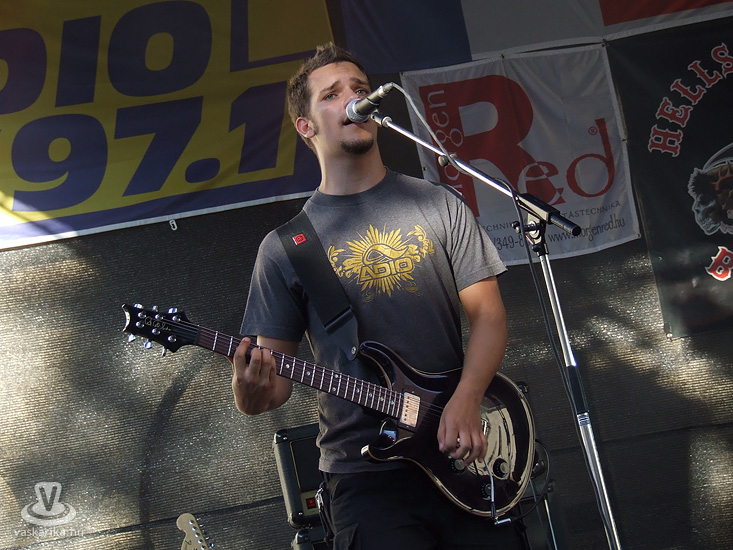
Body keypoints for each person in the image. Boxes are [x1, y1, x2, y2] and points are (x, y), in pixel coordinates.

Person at [230, 43, 521, 549]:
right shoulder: (286, 248)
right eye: (332, 94)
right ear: (306, 126)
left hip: (461, 451)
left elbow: (490, 318)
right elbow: (273, 388)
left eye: (360, 89)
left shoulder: (438, 205)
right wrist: (248, 393)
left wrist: (467, 398)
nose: (352, 99)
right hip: (365, 476)